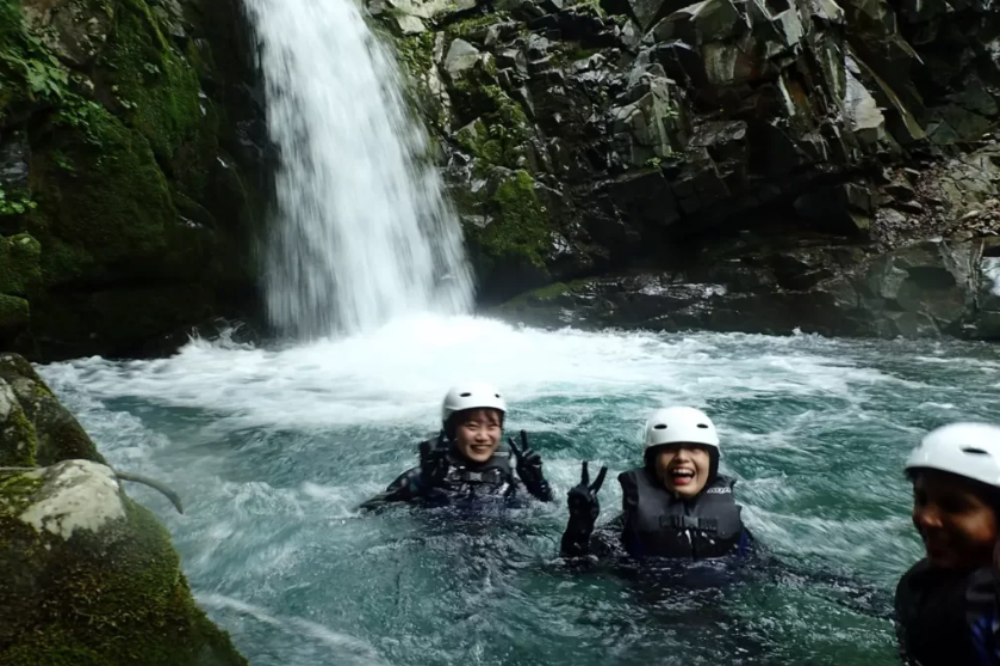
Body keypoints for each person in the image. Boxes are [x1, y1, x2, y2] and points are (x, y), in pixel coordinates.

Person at [560, 405, 754, 562]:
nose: (681, 458)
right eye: (669, 450)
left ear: (712, 461)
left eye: (695, 449)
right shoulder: (626, 527)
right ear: (651, 463)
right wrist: (579, 528)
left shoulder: (736, 529)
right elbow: (574, 570)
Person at [894, 421, 1000, 666]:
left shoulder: (987, 603)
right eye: (921, 499)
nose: (925, 518)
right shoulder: (922, 582)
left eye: (955, 507)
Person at [359, 382, 554, 511]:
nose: (483, 436)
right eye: (472, 426)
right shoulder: (427, 474)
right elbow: (367, 510)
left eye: (492, 426)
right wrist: (424, 483)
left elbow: (549, 511)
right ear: (451, 429)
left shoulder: (511, 477)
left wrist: (538, 487)